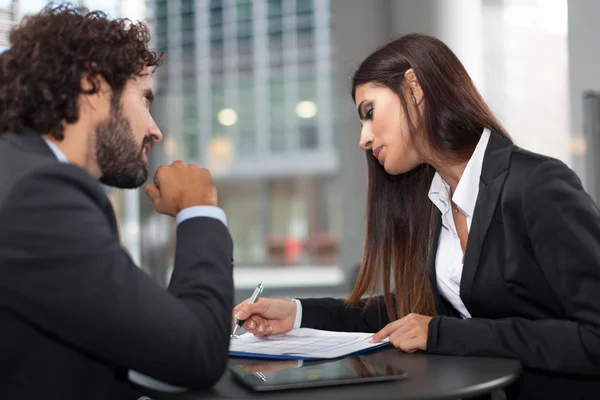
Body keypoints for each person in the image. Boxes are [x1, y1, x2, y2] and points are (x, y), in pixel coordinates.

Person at [233, 33, 600, 399]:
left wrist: (442, 333)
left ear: (414, 88)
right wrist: (297, 314)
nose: (363, 138)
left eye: (370, 113)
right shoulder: (436, 201)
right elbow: (409, 317)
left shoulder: (537, 185)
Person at [0, 5, 233, 399]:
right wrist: (200, 209)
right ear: (94, 85)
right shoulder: (37, 194)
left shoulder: (24, 174)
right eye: (145, 99)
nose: (155, 131)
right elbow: (196, 351)